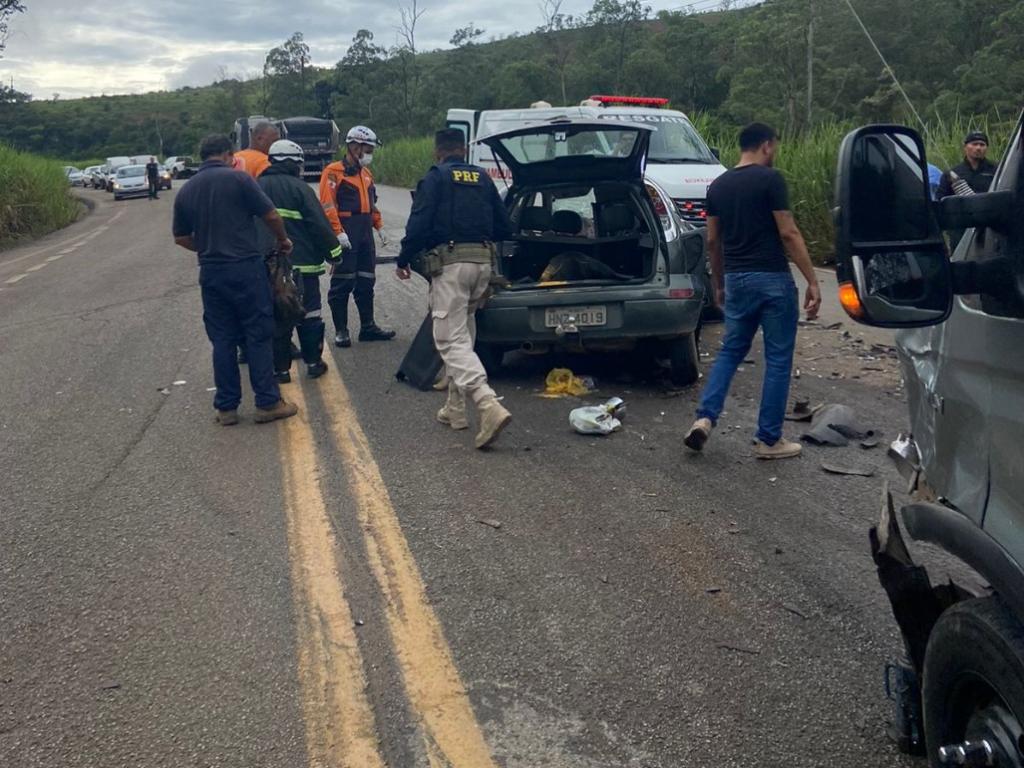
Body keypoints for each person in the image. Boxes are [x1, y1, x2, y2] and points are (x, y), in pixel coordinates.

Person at [683, 122, 821, 460]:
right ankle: (769, 440)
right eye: (774, 146)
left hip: (739, 280)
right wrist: (813, 281)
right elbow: (788, 233)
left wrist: (719, 283)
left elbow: (713, 241)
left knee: (731, 351)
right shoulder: (771, 180)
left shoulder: (718, 186)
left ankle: (704, 418)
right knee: (777, 359)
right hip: (772, 278)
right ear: (767, 146)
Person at [395, 128, 514, 450]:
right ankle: (455, 409)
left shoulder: (435, 178)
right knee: (464, 333)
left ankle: (487, 403)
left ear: (438, 152)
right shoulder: (483, 179)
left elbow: (418, 225)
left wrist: (404, 258)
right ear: (464, 150)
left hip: (452, 268)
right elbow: (505, 227)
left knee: (448, 339)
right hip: (483, 266)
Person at [172, 134, 298, 426]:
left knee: (223, 339)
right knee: (257, 333)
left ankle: (226, 408)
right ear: (229, 155)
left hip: (212, 273)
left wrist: (204, 248)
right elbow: (271, 214)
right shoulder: (239, 180)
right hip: (245, 268)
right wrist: (283, 240)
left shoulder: (187, 189)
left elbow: (180, 237)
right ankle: (267, 402)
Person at [257, 139, 343, 382]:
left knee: (277, 317)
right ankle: (314, 363)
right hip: (303, 267)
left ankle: (281, 371)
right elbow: (319, 225)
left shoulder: (255, 186)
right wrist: (335, 254)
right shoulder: (300, 188)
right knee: (310, 315)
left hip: (268, 268)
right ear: (294, 164)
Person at [319, 125, 395, 347]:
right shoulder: (333, 172)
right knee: (342, 282)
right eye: (367, 149)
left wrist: (379, 226)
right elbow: (327, 205)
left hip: (364, 233)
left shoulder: (366, 174)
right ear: (354, 146)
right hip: (346, 231)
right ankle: (341, 330)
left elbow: (371, 205)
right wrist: (338, 232)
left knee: (366, 280)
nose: (370, 153)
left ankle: (368, 327)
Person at [937, 131, 998, 249]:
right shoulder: (952, 174)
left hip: (990, 229)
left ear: (986, 148)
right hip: (960, 231)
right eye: (974, 144)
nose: (978, 148)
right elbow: (941, 200)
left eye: (982, 144)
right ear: (965, 147)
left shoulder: (997, 170)